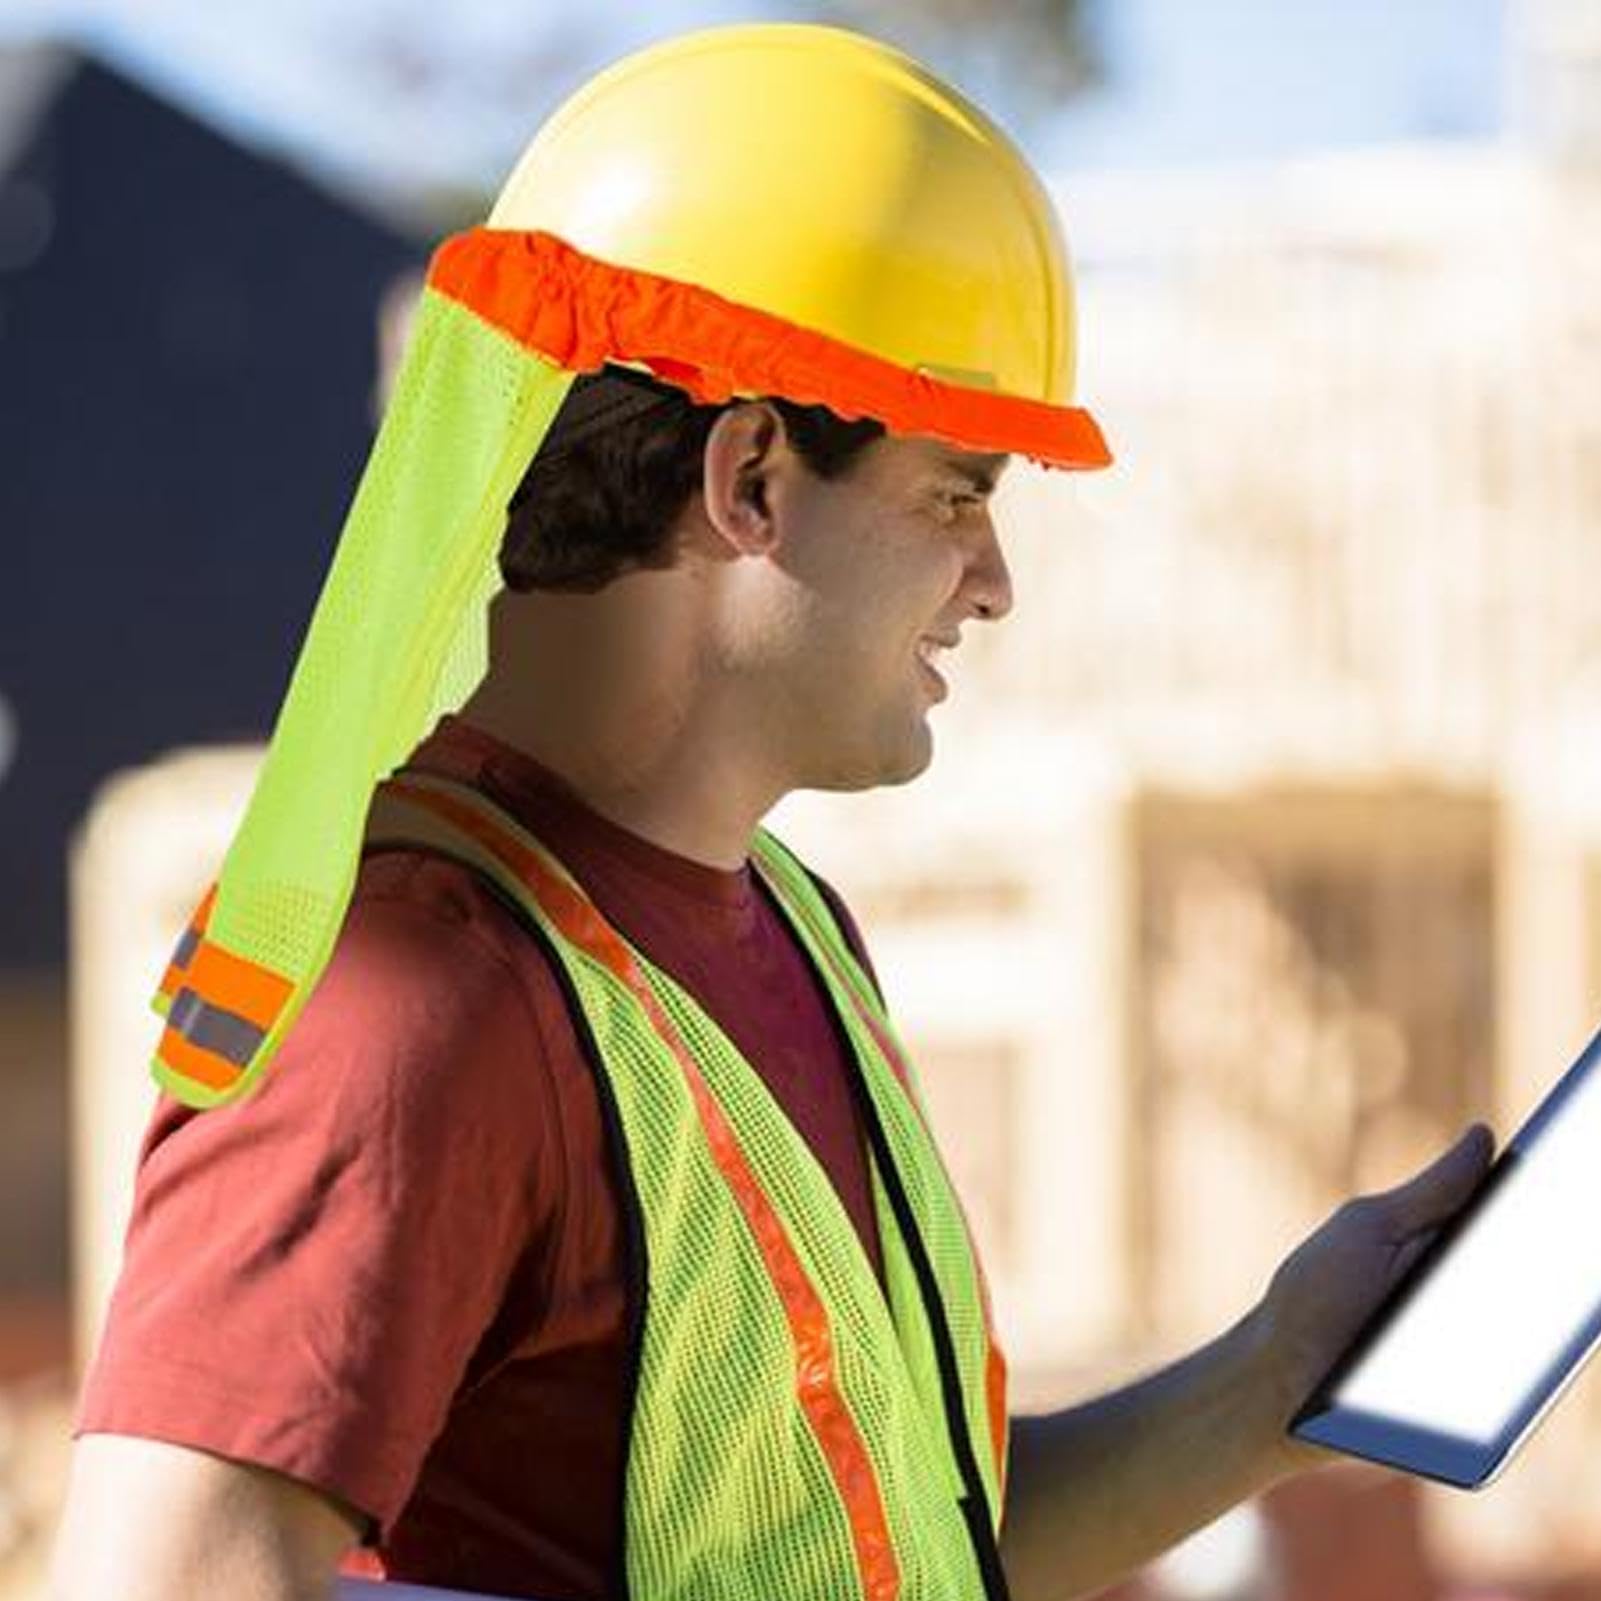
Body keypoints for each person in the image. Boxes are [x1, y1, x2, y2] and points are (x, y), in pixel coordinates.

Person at [47, 23, 1495, 1601]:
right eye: (956, 492)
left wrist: (1278, 1376)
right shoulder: (412, 1000)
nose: (993, 583)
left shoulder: (788, 931)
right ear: (747, 477)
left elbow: (908, 1551)